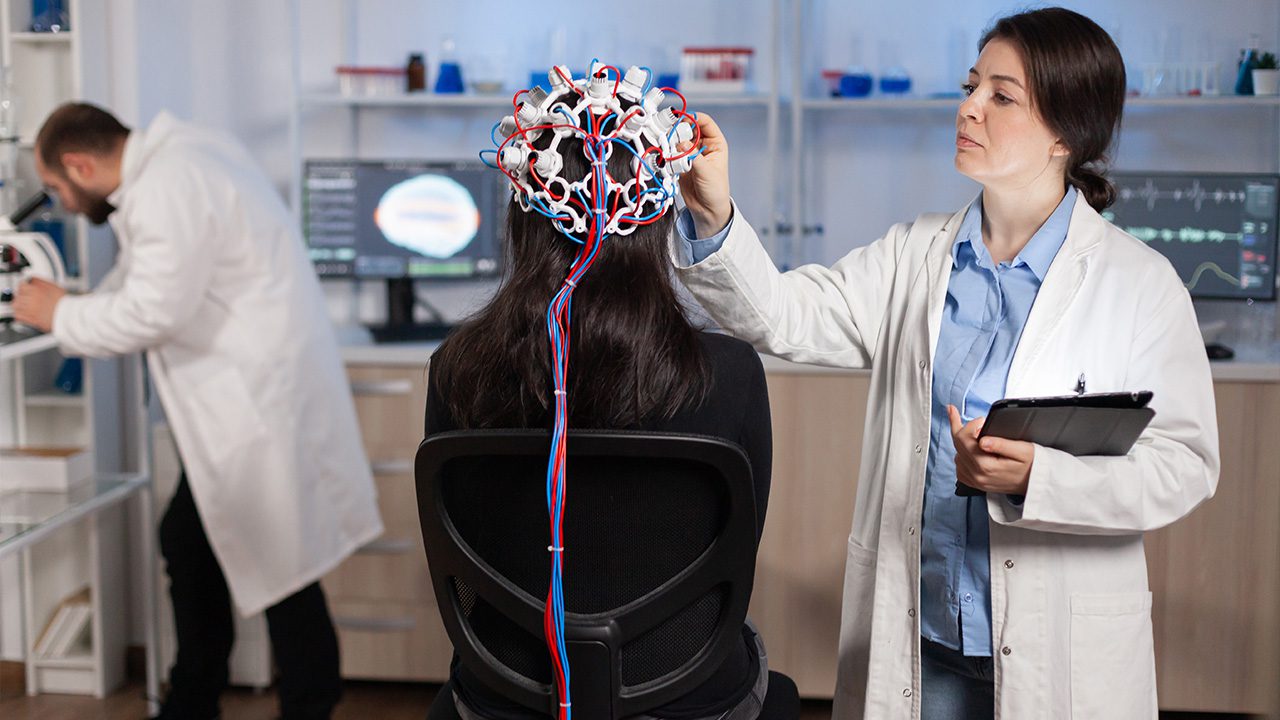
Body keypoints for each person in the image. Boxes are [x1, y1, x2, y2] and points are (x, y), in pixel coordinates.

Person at [670, 8, 1218, 720]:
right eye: (971, 86)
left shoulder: (1138, 284)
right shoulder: (914, 256)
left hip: (1062, 654)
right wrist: (714, 216)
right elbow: (781, 315)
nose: (968, 108)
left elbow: (1186, 463)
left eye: (1001, 95)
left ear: (1065, 133)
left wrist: (1041, 479)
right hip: (921, 641)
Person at [423, 71, 777, 720]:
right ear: (659, 216)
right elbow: (741, 541)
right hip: (688, 687)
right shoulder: (730, 374)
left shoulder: (456, 369)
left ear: (521, 215)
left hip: (505, 689)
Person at [14, 103, 383, 720]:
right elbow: (140, 278)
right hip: (252, 398)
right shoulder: (182, 155)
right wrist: (74, 305)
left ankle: (293, 704)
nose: (66, 203)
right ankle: (195, 697)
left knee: (279, 567)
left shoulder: (166, 186)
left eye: (57, 188)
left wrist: (59, 315)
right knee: (192, 543)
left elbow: (153, 312)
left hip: (252, 408)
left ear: (80, 164)